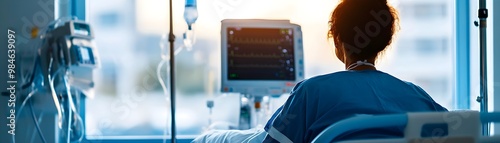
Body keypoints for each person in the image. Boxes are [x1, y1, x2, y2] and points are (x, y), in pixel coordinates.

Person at [193, 0, 447, 142]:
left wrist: (212, 136)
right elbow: (461, 130)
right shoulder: (418, 97)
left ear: (337, 40)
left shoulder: (312, 92)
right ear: (386, 42)